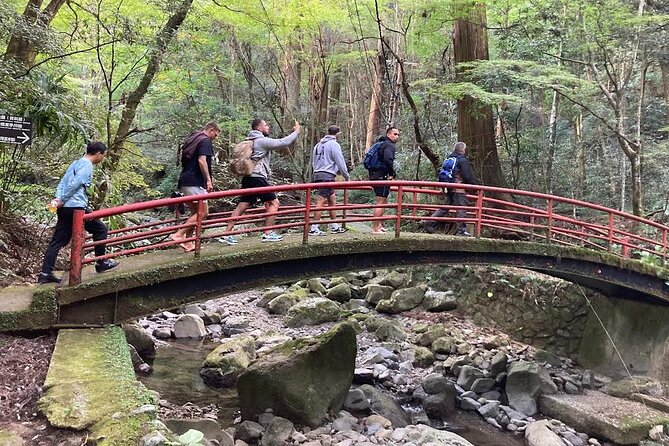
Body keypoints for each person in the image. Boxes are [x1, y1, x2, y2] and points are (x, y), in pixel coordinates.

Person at [37, 141, 119, 284]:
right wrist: (62, 199)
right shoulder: (87, 165)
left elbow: (63, 182)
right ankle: (101, 263)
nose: (102, 158)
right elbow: (76, 183)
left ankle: (45, 273)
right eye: (103, 155)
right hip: (76, 208)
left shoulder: (75, 163)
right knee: (101, 229)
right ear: (99, 153)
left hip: (66, 207)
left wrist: (58, 199)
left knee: (58, 241)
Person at [220, 118, 301, 245]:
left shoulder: (250, 141)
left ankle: (226, 233)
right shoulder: (261, 141)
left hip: (248, 177)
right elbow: (283, 142)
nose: (268, 127)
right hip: (258, 177)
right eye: (266, 125)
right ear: (259, 127)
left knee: (243, 205)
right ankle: (267, 233)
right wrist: (296, 132)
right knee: (274, 203)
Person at [170, 122, 221, 252]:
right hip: (195, 181)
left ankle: (188, 243)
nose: (215, 137)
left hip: (185, 180)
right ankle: (178, 235)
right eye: (216, 134)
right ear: (211, 130)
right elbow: (202, 161)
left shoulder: (194, 138)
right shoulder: (205, 141)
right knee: (204, 212)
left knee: (195, 213)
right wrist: (208, 180)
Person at [424, 141, 478, 236]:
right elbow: (467, 176)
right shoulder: (462, 160)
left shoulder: (449, 158)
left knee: (445, 208)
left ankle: (429, 222)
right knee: (461, 208)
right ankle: (461, 230)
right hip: (459, 189)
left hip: (449, 187)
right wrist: (474, 186)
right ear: (463, 150)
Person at [309, 125, 349, 236]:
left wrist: (315, 173)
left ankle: (334, 225)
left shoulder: (318, 145)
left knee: (332, 199)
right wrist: (346, 175)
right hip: (326, 175)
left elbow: (313, 161)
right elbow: (339, 160)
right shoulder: (334, 145)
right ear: (337, 134)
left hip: (319, 173)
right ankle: (314, 227)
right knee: (321, 200)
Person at [368, 127, 398, 234]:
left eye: (397, 134)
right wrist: (391, 173)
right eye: (395, 134)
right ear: (389, 134)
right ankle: (375, 228)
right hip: (382, 176)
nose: (396, 136)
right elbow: (388, 160)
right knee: (380, 202)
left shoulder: (381, 144)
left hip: (375, 175)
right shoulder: (388, 145)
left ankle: (379, 225)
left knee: (382, 201)